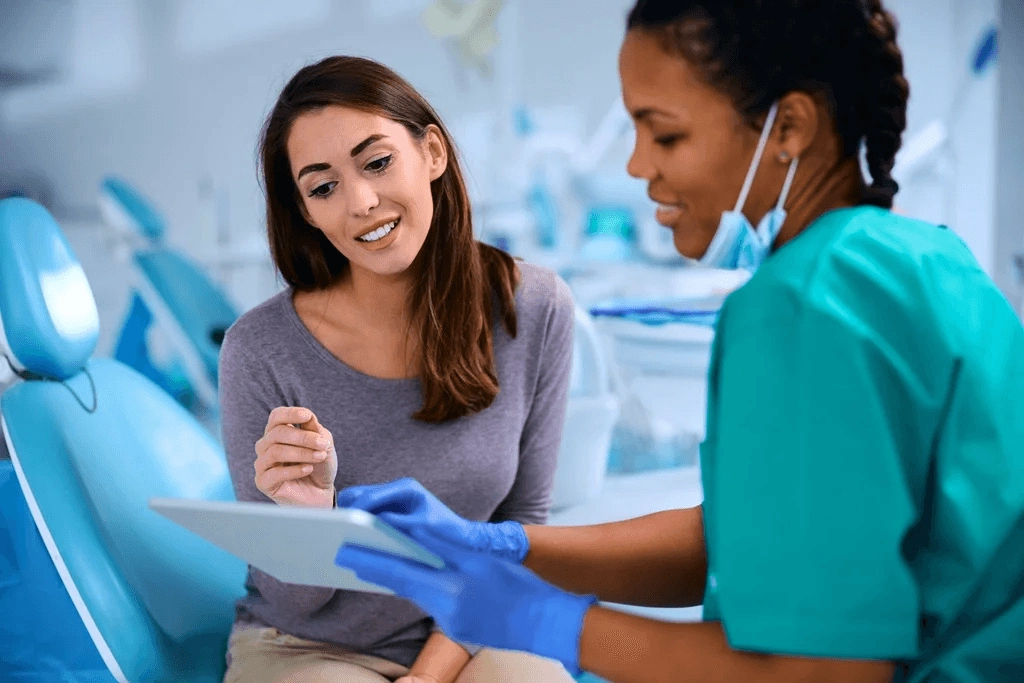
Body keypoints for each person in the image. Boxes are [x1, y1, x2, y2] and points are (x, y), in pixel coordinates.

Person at [333, 2, 1024, 682]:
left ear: (787, 126)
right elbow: (753, 537)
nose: (637, 166)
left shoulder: (801, 302)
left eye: (663, 136)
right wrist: (507, 546)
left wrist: (550, 623)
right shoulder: (930, 260)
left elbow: (823, 671)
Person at [218, 56, 577, 683]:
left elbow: (522, 531)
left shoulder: (536, 308)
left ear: (431, 152)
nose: (360, 202)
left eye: (377, 162)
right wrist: (312, 517)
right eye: (323, 186)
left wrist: (429, 674)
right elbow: (293, 596)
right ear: (305, 211)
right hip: (305, 643)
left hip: (476, 628)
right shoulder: (259, 351)